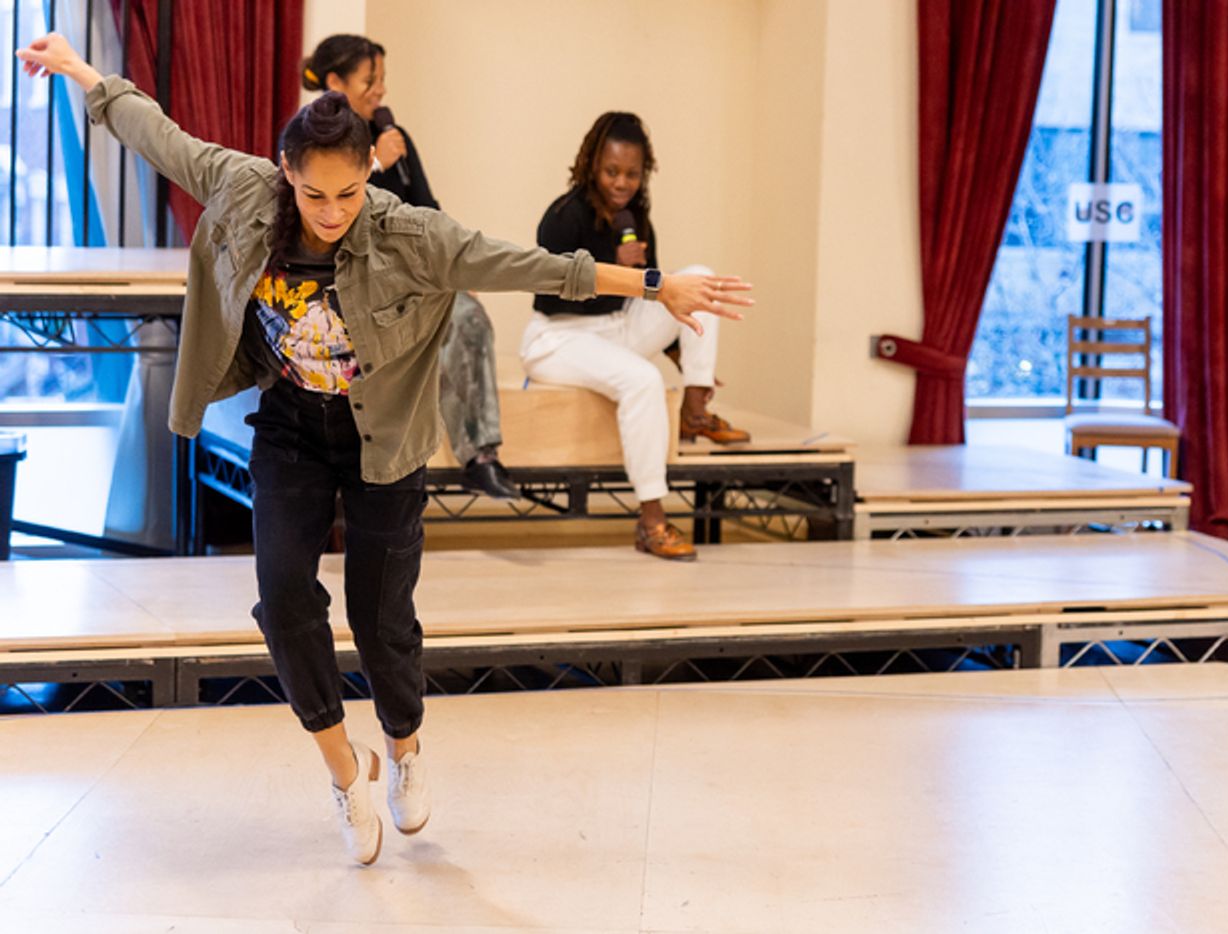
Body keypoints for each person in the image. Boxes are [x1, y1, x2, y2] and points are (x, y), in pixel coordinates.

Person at [16, 33, 750, 866]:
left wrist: (656, 285)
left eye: (348, 193)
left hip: (386, 441)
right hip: (292, 426)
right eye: (314, 194)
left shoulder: (412, 236)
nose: (331, 212)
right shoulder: (245, 188)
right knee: (282, 599)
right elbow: (158, 134)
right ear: (286, 172)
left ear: (369, 173)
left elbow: (531, 265)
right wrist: (78, 69)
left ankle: (403, 747)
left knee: (380, 619)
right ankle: (343, 768)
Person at [524, 112, 749, 562]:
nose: (621, 183)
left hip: (616, 329)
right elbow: (552, 295)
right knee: (644, 380)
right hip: (559, 338)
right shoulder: (563, 216)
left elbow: (664, 299)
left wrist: (688, 361)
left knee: (699, 280)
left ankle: (695, 410)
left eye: (631, 173)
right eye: (612, 171)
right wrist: (616, 267)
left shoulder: (637, 218)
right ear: (592, 165)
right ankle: (651, 521)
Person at [301, 33, 516, 500]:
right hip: (351, 283)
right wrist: (375, 166)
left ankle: (481, 456)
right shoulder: (313, 142)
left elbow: (428, 212)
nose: (380, 90)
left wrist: (457, 270)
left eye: (382, 79)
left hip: (412, 279)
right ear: (335, 82)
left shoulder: (394, 136)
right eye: (370, 80)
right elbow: (323, 222)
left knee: (469, 317)